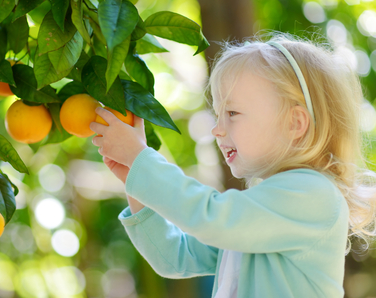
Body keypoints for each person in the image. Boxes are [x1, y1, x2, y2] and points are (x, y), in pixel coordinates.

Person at [89, 31, 376, 298]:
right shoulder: (265, 210)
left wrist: (142, 160)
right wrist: (135, 179)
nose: (217, 129)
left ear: (294, 123)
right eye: (217, 115)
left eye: (233, 113)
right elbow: (175, 257)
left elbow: (209, 217)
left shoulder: (312, 194)